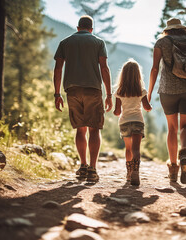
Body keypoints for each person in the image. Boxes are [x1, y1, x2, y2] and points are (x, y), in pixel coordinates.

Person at [53, 15, 113, 182]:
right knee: (94, 129)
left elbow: (58, 69)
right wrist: (109, 95)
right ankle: (92, 169)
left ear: (78, 28)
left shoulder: (65, 42)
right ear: (91, 29)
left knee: (81, 129)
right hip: (93, 89)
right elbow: (104, 68)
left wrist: (57, 94)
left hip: (72, 89)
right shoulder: (98, 42)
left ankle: (83, 165)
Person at [148, 18, 186, 184]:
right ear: (182, 29)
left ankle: (173, 168)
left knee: (172, 129)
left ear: (168, 29)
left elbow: (154, 68)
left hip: (168, 91)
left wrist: (150, 92)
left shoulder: (161, 42)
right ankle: (185, 153)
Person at [113, 59, 152, 186]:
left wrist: (116, 111)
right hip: (137, 122)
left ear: (123, 75)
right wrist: (149, 107)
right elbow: (146, 107)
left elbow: (117, 111)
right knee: (136, 149)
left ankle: (129, 174)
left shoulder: (119, 91)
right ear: (138, 75)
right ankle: (136, 170)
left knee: (128, 149)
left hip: (124, 122)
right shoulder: (141, 91)